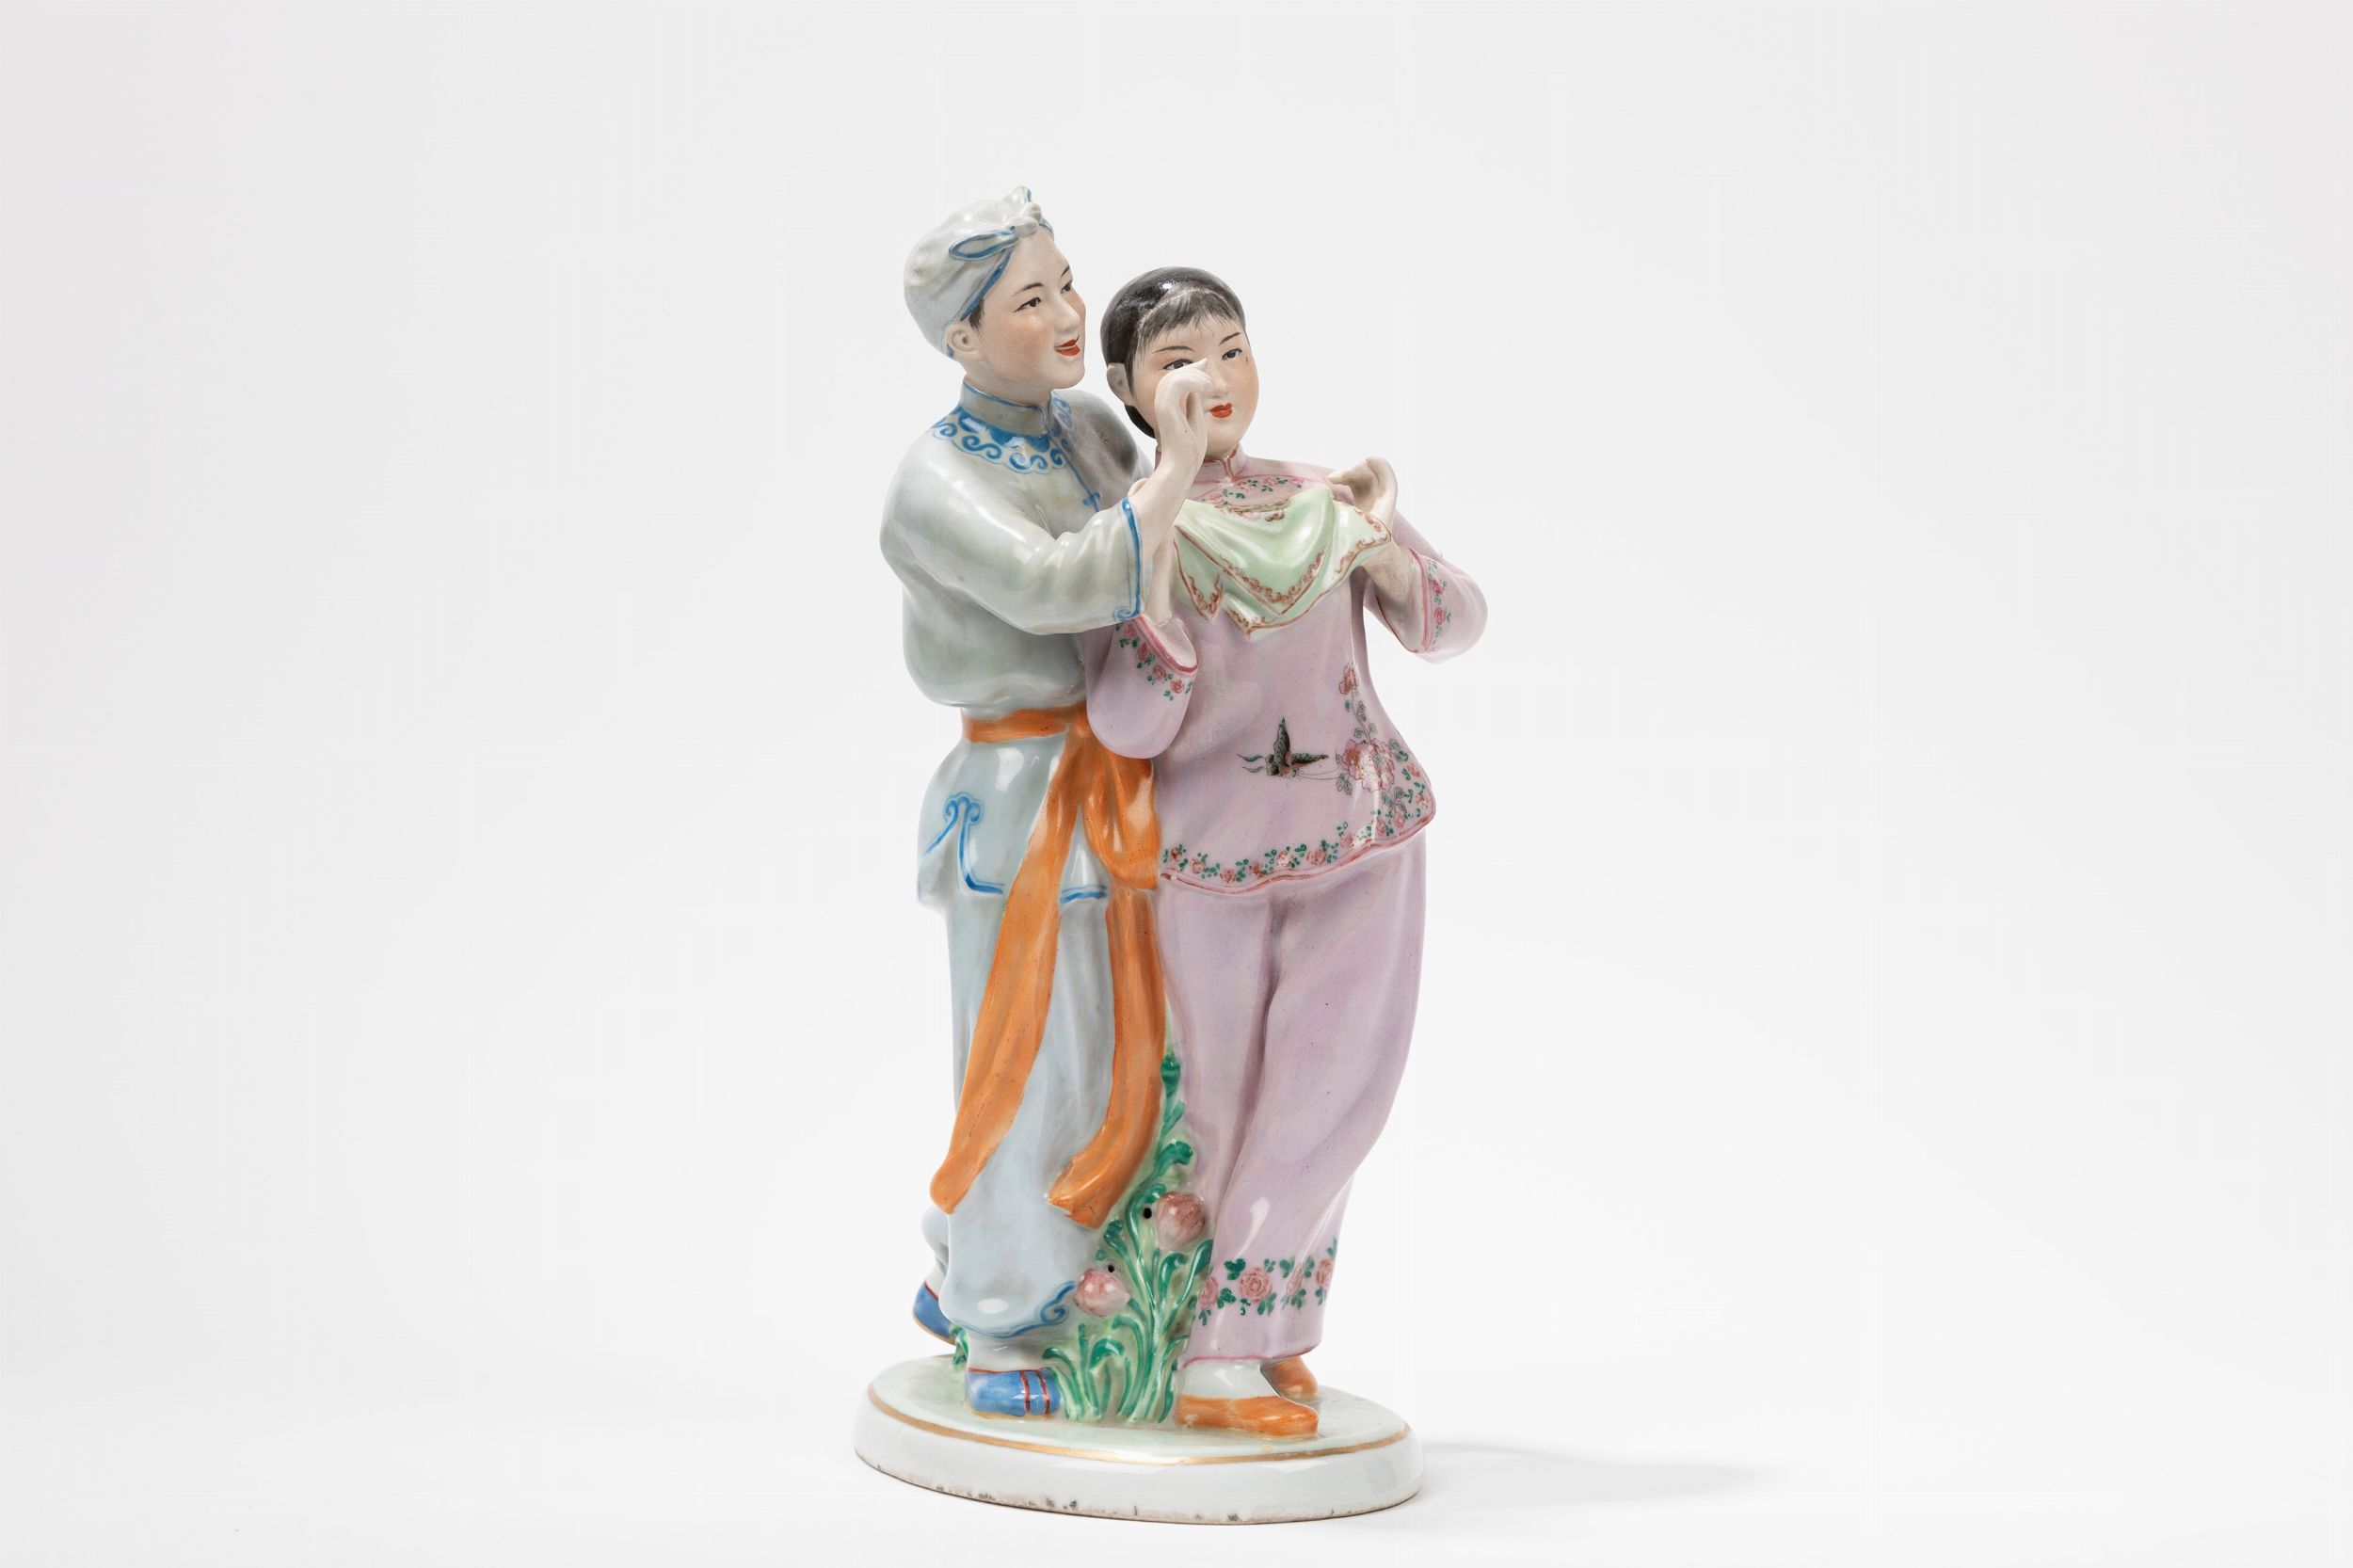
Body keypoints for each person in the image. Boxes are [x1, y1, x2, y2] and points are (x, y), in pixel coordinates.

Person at [1081, 267, 1487, 1437]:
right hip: (1210, 861)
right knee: (1212, 1103)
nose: (1214, 379)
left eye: (1232, 347)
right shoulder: (1137, 532)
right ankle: (1204, 1342)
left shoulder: (1324, 495)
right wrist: (1158, 548)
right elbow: (1128, 723)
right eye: (1178, 363)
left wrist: (1383, 554)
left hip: (1360, 830)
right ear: (1130, 392)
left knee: (1334, 1089)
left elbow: (1454, 622)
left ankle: (1244, 1340)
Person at [879, 192, 1214, 1417]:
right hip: (1024, 801)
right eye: (1033, 299)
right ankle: (1003, 1322)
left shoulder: (1082, 428)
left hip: (1121, 772)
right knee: (1027, 1060)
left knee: (1122, 1044)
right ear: (962, 337)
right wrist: (1177, 468)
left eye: (1069, 282)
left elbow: (1170, 542)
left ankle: (967, 1257)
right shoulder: (933, 482)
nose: (1072, 314)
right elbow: (1059, 581)